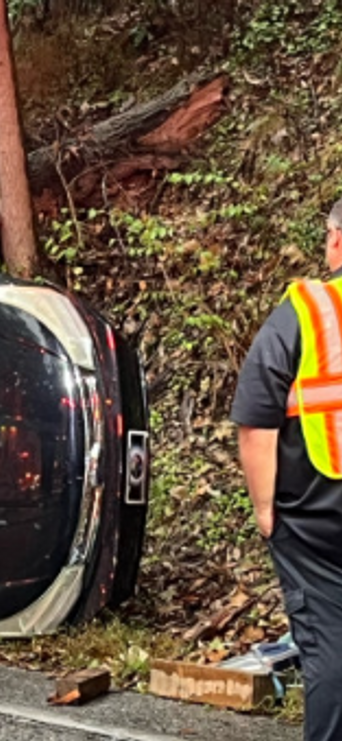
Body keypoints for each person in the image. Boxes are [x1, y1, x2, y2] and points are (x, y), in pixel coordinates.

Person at [234, 198, 342, 741]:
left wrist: (264, 509)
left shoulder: (309, 310)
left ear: (337, 240)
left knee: (329, 645)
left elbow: (256, 421)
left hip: (316, 521)